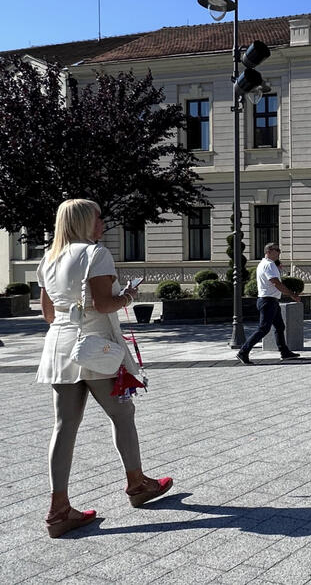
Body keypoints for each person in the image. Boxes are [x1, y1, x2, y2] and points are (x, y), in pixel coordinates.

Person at [36, 199, 173, 538]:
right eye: (98, 218)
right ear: (85, 221)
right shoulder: (96, 254)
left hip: (59, 347)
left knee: (64, 425)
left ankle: (59, 508)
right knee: (123, 414)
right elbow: (102, 304)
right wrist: (127, 297)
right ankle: (137, 483)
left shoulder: (48, 259)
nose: (102, 223)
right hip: (95, 347)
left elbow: (48, 314)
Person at [235, 242, 301, 365]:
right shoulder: (269, 265)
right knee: (263, 329)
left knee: (280, 327)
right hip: (268, 301)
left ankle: (284, 352)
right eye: (277, 250)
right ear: (269, 251)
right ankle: (243, 352)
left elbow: (273, 281)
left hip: (270, 300)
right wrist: (292, 295)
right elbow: (276, 283)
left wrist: (278, 269)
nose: (279, 252)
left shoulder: (265, 264)